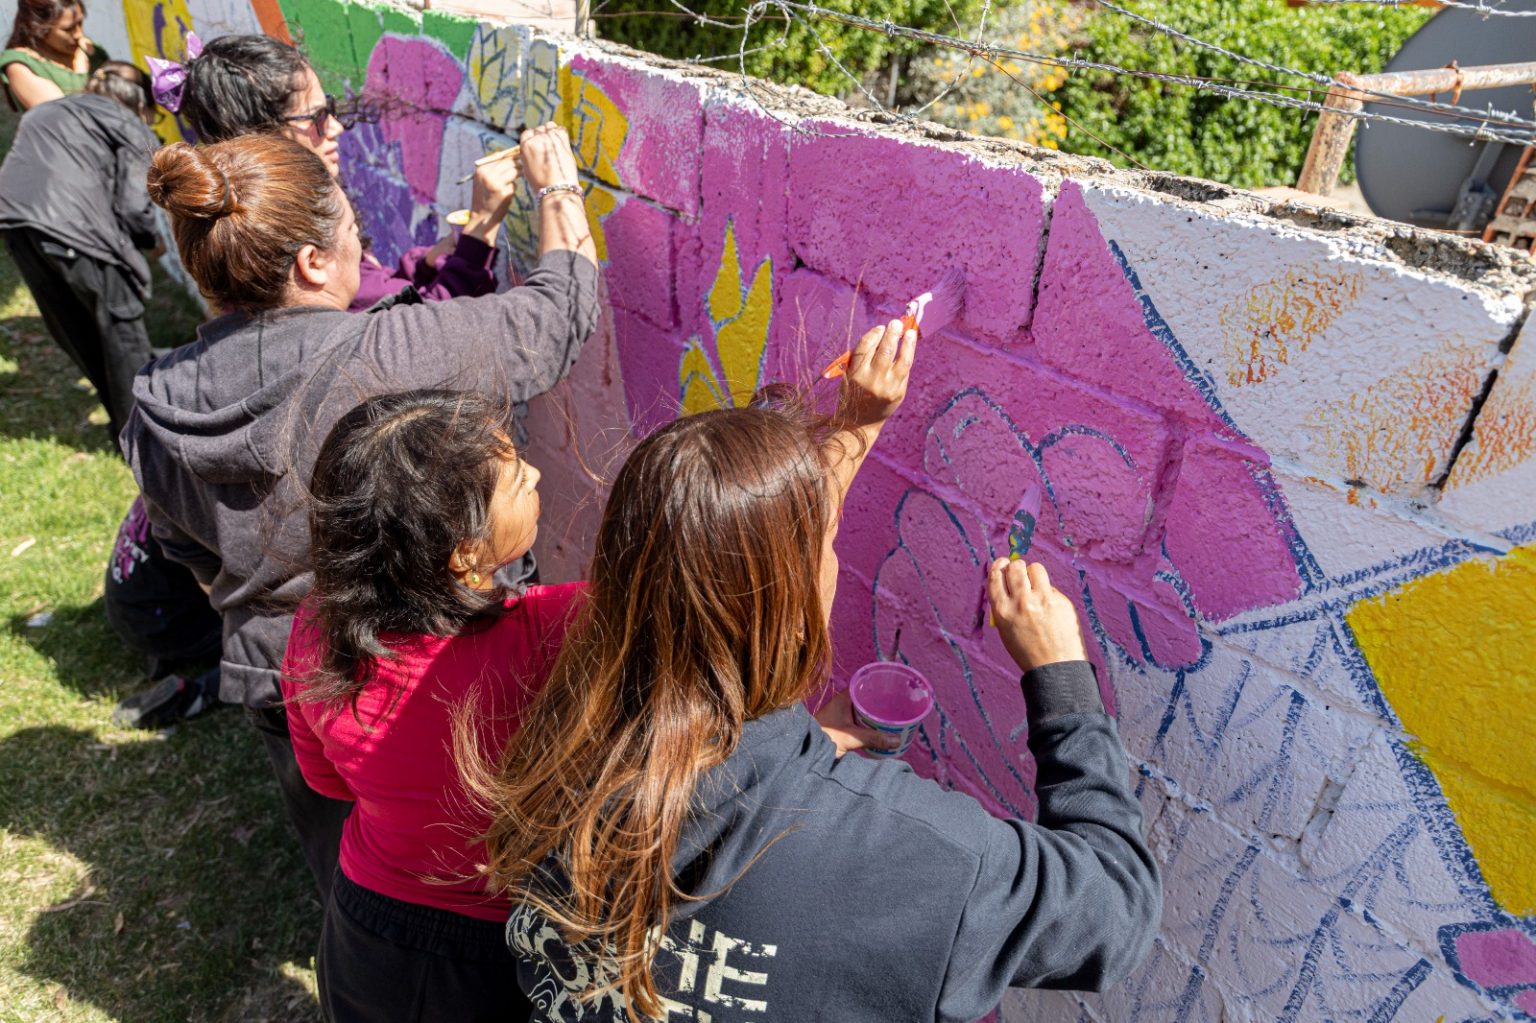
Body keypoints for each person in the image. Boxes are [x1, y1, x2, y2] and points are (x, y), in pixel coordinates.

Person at [467, 321, 1162, 1021]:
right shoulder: (906, 853)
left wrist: (855, 430)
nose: (832, 557)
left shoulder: (560, 752)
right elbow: (1115, 907)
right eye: (825, 543)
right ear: (792, 605)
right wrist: (1062, 678)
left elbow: (720, 560)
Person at [121, 124, 598, 904]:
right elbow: (561, 311)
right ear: (312, 262)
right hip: (432, 679)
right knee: (475, 882)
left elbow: (183, 546)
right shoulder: (389, 351)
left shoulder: (155, 399)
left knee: (350, 869)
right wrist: (559, 186)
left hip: (284, 676)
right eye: (352, 229)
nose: (360, 244)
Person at [281, 389, 582, 1023]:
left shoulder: (316, 626)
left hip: (365, 928)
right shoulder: (553, 628)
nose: (532, 472)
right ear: (465, 552)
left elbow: (326, 780)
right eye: (512, 478)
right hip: (499, 941)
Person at [156, 32, 517, 312]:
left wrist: (421, 264)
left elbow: (377, 296)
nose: (336, 127)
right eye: (315, 117)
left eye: (327, 108)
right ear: (263, 133)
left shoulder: (249, 218)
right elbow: (424, 334)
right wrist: (480, 231)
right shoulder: (294, 243)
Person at [0, 60, 159, 449]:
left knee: (78, 330)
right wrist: (149, 240)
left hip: (17, 226)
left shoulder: (46, 112)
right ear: (140, 104)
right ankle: (146, 443)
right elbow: (135, 206)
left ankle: (122, 428)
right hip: (76, 230)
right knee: (123, 335)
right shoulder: (130, 124)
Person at [1, 0, 106, 111]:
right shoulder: (21, 66)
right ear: (39, 28)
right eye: (68, 29)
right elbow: (62, 118)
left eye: (79, 23)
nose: (78, 34)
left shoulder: (89, 50)